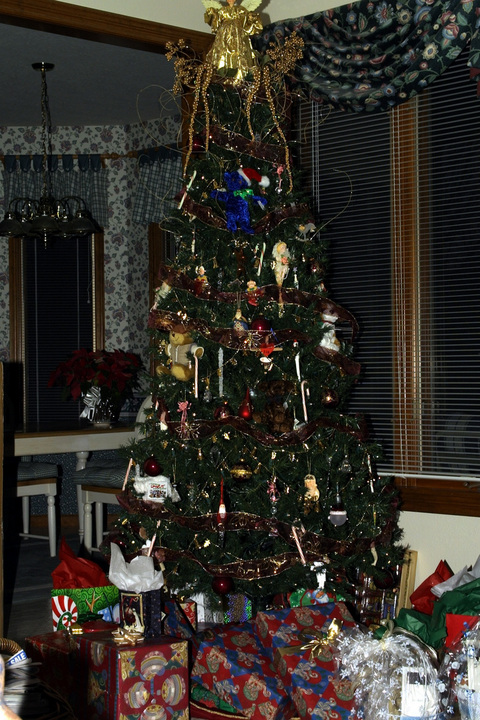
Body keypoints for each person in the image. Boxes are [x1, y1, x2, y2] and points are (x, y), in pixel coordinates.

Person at [203, 0, 263, 83]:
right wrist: (213, 14)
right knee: (223, 52)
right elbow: (216, 24)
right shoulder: (222, 10)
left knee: (239, 53)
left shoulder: (241, 10)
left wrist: (251, 17)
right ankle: (223, 74)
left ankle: (239, 76)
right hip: (224, 37)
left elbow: (246, 23)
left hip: (238, 36)